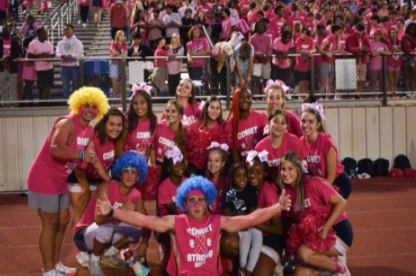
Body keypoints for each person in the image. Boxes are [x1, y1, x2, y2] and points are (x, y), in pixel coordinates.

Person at [95, 175, 291, 275]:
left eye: (200, 200)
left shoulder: (218, 221)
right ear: (184, 203)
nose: (196, 204)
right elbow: (143, 220)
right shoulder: (175, 221)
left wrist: (277, 208)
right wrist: (113, 212)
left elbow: (250, 219)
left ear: (207, 202)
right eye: (191, 200)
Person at [27, 87, 108, 276]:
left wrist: (109, 180)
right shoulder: (67, 123)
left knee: (63, 222)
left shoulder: (88, 130)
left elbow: (92, 159)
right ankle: (48, 271)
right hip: (43, 178)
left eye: (94, 107)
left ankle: (55, 264)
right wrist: (80, 154)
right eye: (86, 105)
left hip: (61, 180)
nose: (90, 110)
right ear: (78, 105)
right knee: (50, 223)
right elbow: (55, 148)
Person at [73, 152, 151, 276]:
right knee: (107, 227)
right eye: (126, 171)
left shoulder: (136, 194)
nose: (130, 176)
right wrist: (123, 208)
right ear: (120, 174)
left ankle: (108, 254)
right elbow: (99, 220)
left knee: (137, 227)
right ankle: (95, 261)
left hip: (108, 235)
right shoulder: (106, 188)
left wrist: (144, 243)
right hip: (85, 235)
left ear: (138, 176)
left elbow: (146, 222)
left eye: (134, 172)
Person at [280, 152, 353, 276]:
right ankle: (325, 261)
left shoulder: (313, 183)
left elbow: (341, 202)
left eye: (290, 169)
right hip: (315, 238)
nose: (286, 173)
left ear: (298, 169)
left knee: (304, 253)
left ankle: (339, 271)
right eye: (283, 169)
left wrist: (326, 227)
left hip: (338, 232)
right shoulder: (288, 193)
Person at [300, 103, 352, 199]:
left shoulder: (327, 142)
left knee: (330, 210)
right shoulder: (301, 142)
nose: (305, 125)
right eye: (303, 121)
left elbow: (331, 176)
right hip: (320, 181)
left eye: (310, 122)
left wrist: (318, 192)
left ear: (318, 124)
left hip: (338, 182)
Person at [246, 152, 286, 276]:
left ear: (265, 174)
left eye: (258, 172)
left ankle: (276, 264)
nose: (253, 176)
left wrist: (252, 222)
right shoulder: (247, 189)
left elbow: (278, 229)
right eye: (250, 171)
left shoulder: (268, 192)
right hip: (253, 238)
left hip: (270, 240)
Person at [222, 163, 261, 276]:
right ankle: (242, 267)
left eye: (244, 175)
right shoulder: (230, 192)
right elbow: (227, 211)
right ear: (232, 178)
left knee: (258, 236)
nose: (242, 179)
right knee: (246, 236)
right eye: (238, 176)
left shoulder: (250, 191)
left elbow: (252, 210)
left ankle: (250, 269)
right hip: (235, 224)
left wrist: (246, 218)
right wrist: (238, 217)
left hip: (249, 222)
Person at [157, 146, 187, 272]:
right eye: (176, 165)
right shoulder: (164, 187)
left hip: (185, 220)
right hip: (168, 223)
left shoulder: (188, 182)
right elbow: (173, 212)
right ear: (169, 168)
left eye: (182, 164)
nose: (180, 168)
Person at [255, 109, 302, 186]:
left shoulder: (294, 141)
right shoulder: (260, 147)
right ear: (268, 123)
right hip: (271, 185)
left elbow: (299, 170)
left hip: (292, 184)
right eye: (275, 121)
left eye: (283, 123)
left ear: (287, 126)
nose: (279, 125)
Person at [225, 87, 268, 163]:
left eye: (248, 97)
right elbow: (233, 151)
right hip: (242, 166)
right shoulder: (229, 125)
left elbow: (267, 142)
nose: (245, 100)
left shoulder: (261, 117)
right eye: (241, 97)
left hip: (260, 164)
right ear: (236, 99)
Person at [186, 96, 227, 173]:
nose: (215, 111)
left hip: (214, 170)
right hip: (194, 168)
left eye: (217, 108)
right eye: (212, 107)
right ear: (206, 108)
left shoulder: (222, 127)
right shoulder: (194, 125)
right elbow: (187, 148)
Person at [150, 99, 187, 165]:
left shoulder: (185, 133)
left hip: (174, 169)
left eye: (173, 111)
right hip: (159, 165)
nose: (169, 114)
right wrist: (153, 168)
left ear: (180, 115)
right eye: (167, 111)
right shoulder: (159, 126)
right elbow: (152, 149)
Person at [56, 24, 84, 99]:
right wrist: (63, 56)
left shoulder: (78, 42)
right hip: (64, 67)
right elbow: (57, 53)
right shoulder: (60, 43)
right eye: (65, 30)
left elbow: (80, 54)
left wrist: (73, 56)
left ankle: (75, 102)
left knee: (75, 85)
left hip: (74, 66)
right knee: (65, 86)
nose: (66, 31)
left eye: (68, 29)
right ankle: (65, 102)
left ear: (72, 30)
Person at [27, 27, 54, 102]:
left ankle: (46, 102)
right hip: (39, 69)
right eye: (44, 33)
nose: (46, 34)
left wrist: (48, 56)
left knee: (48, 87)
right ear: (39, 34)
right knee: (42, 87)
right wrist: (40, 55)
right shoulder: (33, 44)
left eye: (46, 33)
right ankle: (42, 103)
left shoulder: (49, 43)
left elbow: (52, 55)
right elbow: (30, 55)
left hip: (49, 68)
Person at [346, 23, 370, 95]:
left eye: (361, 31)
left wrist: (366, 49)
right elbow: (350, 48)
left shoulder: (366, 38)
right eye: (358, 30)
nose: (359, 32)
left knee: (361, 80)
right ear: (355, 30)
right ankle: (355, 94)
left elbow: (368, 48)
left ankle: (358, 94)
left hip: (363, 60)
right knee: (355, 79)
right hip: (354, 61)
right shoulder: (350, 38)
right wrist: (359, 49)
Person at [205, 143, 229, 215]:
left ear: (223, 163)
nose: (212, 164)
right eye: (210, 160)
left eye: (217, 161)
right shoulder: (204, 182)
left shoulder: (227, 182)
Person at [250, 20, 272, 94]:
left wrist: (266, 56)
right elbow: (251, 49)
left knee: (266, 80)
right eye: (259, 26)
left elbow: (270, 49)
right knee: (257, 80)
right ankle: (257, 96)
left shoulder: (268, 38)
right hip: (256, 62)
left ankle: (265, 95)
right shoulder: (252, 38)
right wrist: (260, 54)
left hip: (266, 61)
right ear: (256, 27)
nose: (261, 27)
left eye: (262, 26)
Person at [0, 25, 21, 104]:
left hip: (12, 68)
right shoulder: (0, 41)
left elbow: (17, 54)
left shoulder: (15, 41)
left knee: (13, 88)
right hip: (2, 68)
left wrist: (7, 58)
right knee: (3, 88)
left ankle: (12, 104)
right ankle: (4, 103)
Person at [368, 29, 390, 94]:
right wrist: (382, 52)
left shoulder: (383, 44)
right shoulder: (370, 43)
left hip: (382, 66)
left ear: (380, 36)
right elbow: (373, 54)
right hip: (373, 66)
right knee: (373, 82)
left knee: (381, 82)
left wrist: (379, 51)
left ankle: (381, 96)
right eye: (374, 35)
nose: (375, 36)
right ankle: (373, 95)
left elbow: (388, 53)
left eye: (377, 35)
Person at [295, 27, 315, 96]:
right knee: (301, 84)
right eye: (302, 33)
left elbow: (314, 49)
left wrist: (310, 51)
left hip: (308, 66)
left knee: (306, 83)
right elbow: (297, 50)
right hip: (300, 66)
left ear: (308, 35)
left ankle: (305, 97)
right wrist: (304, 52)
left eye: (305, 34)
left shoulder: (311, 40)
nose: (303, 35)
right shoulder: (298, 40)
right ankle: (300, 98)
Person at [109, 30, 128, 97]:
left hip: (122, 64)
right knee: (115, 87)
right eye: (121, 35)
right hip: (114, 64)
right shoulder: (113, 44)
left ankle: (121, 101)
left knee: (122, 87)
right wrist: (121, 54)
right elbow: (113, 52)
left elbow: (125, 55)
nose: (122, 37)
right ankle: (114, 100)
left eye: (123, 35)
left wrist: (116, 55)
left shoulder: (125, 45)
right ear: (117, 36)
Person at [386, 27, 402, 96]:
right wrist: (393, 50)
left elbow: (403, 51)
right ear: (389, 34)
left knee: (396, 81)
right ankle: (388, 96)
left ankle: (395, 95)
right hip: (389, 63)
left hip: (398, 63)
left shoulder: (400, 41)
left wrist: (398, 50)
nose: (394, 34)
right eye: (392, 33)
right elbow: (387, 51)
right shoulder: (388, 42)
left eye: (395, 32)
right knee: (390, 81)